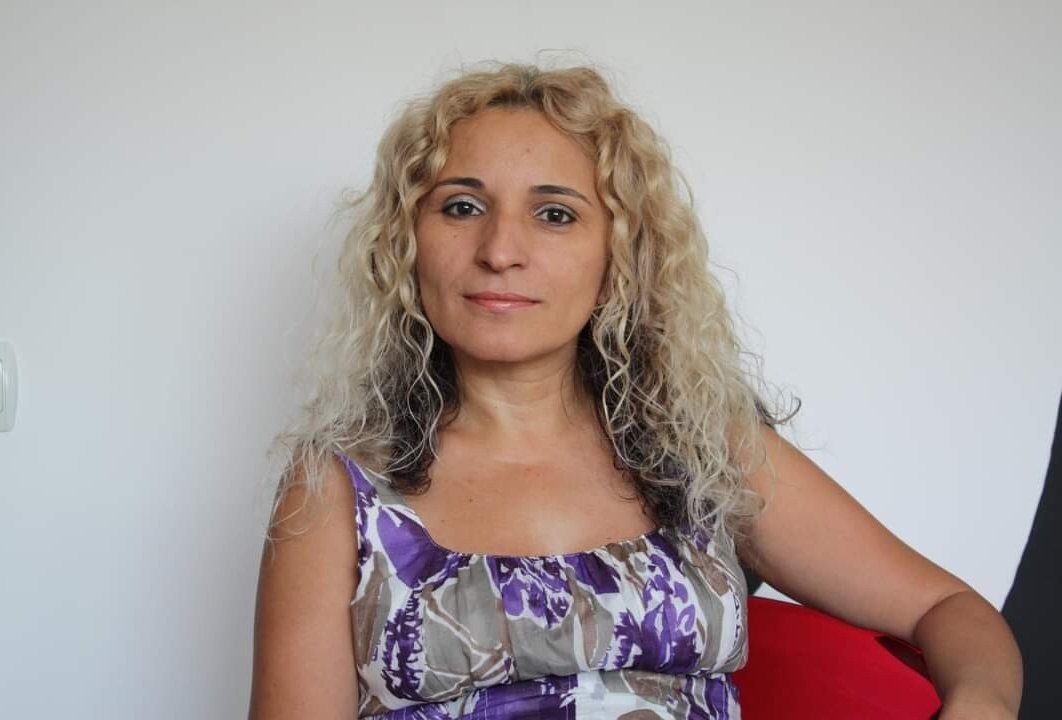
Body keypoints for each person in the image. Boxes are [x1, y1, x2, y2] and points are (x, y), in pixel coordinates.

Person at [247, 60, 1023, 719]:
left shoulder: (705, 451)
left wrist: (980, 705)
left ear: (618, 256)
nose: (500, 249)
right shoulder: (338, 489)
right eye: (462, 207)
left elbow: (948, 611)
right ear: (405, 243)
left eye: (555, 214)